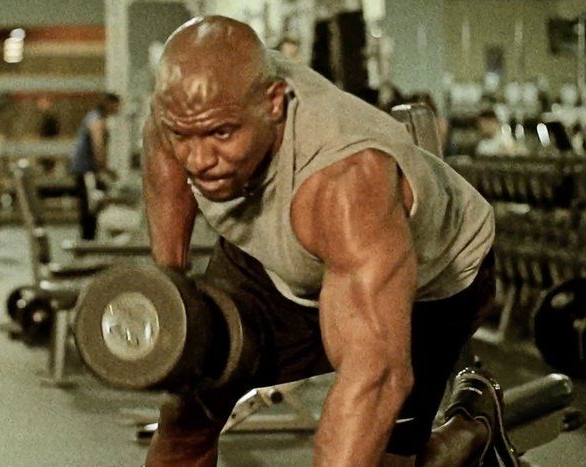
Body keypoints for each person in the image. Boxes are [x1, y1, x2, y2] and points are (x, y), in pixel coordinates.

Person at [141, 16, 516, 467]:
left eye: (221, 133)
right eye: (183, 135)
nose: (200, 159)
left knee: (391, 459)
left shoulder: (346, 180)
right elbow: (164, 156)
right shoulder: (186, 107)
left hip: (428, 281)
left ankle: (472, 425)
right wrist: (173, 290)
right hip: (273, 262)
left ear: (273, 103)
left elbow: (375, 377)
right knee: (187, 417)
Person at [70, 92, 120, 240]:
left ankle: (88, 240)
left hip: (86, 169)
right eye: (116, 105)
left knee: (90, 208)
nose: (118, 109)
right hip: (86, 170)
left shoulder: (94, 117)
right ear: (109, 104)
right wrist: (103, 168)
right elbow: (98, 145)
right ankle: (87, 242)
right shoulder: (96, 119)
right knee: (89, 208)